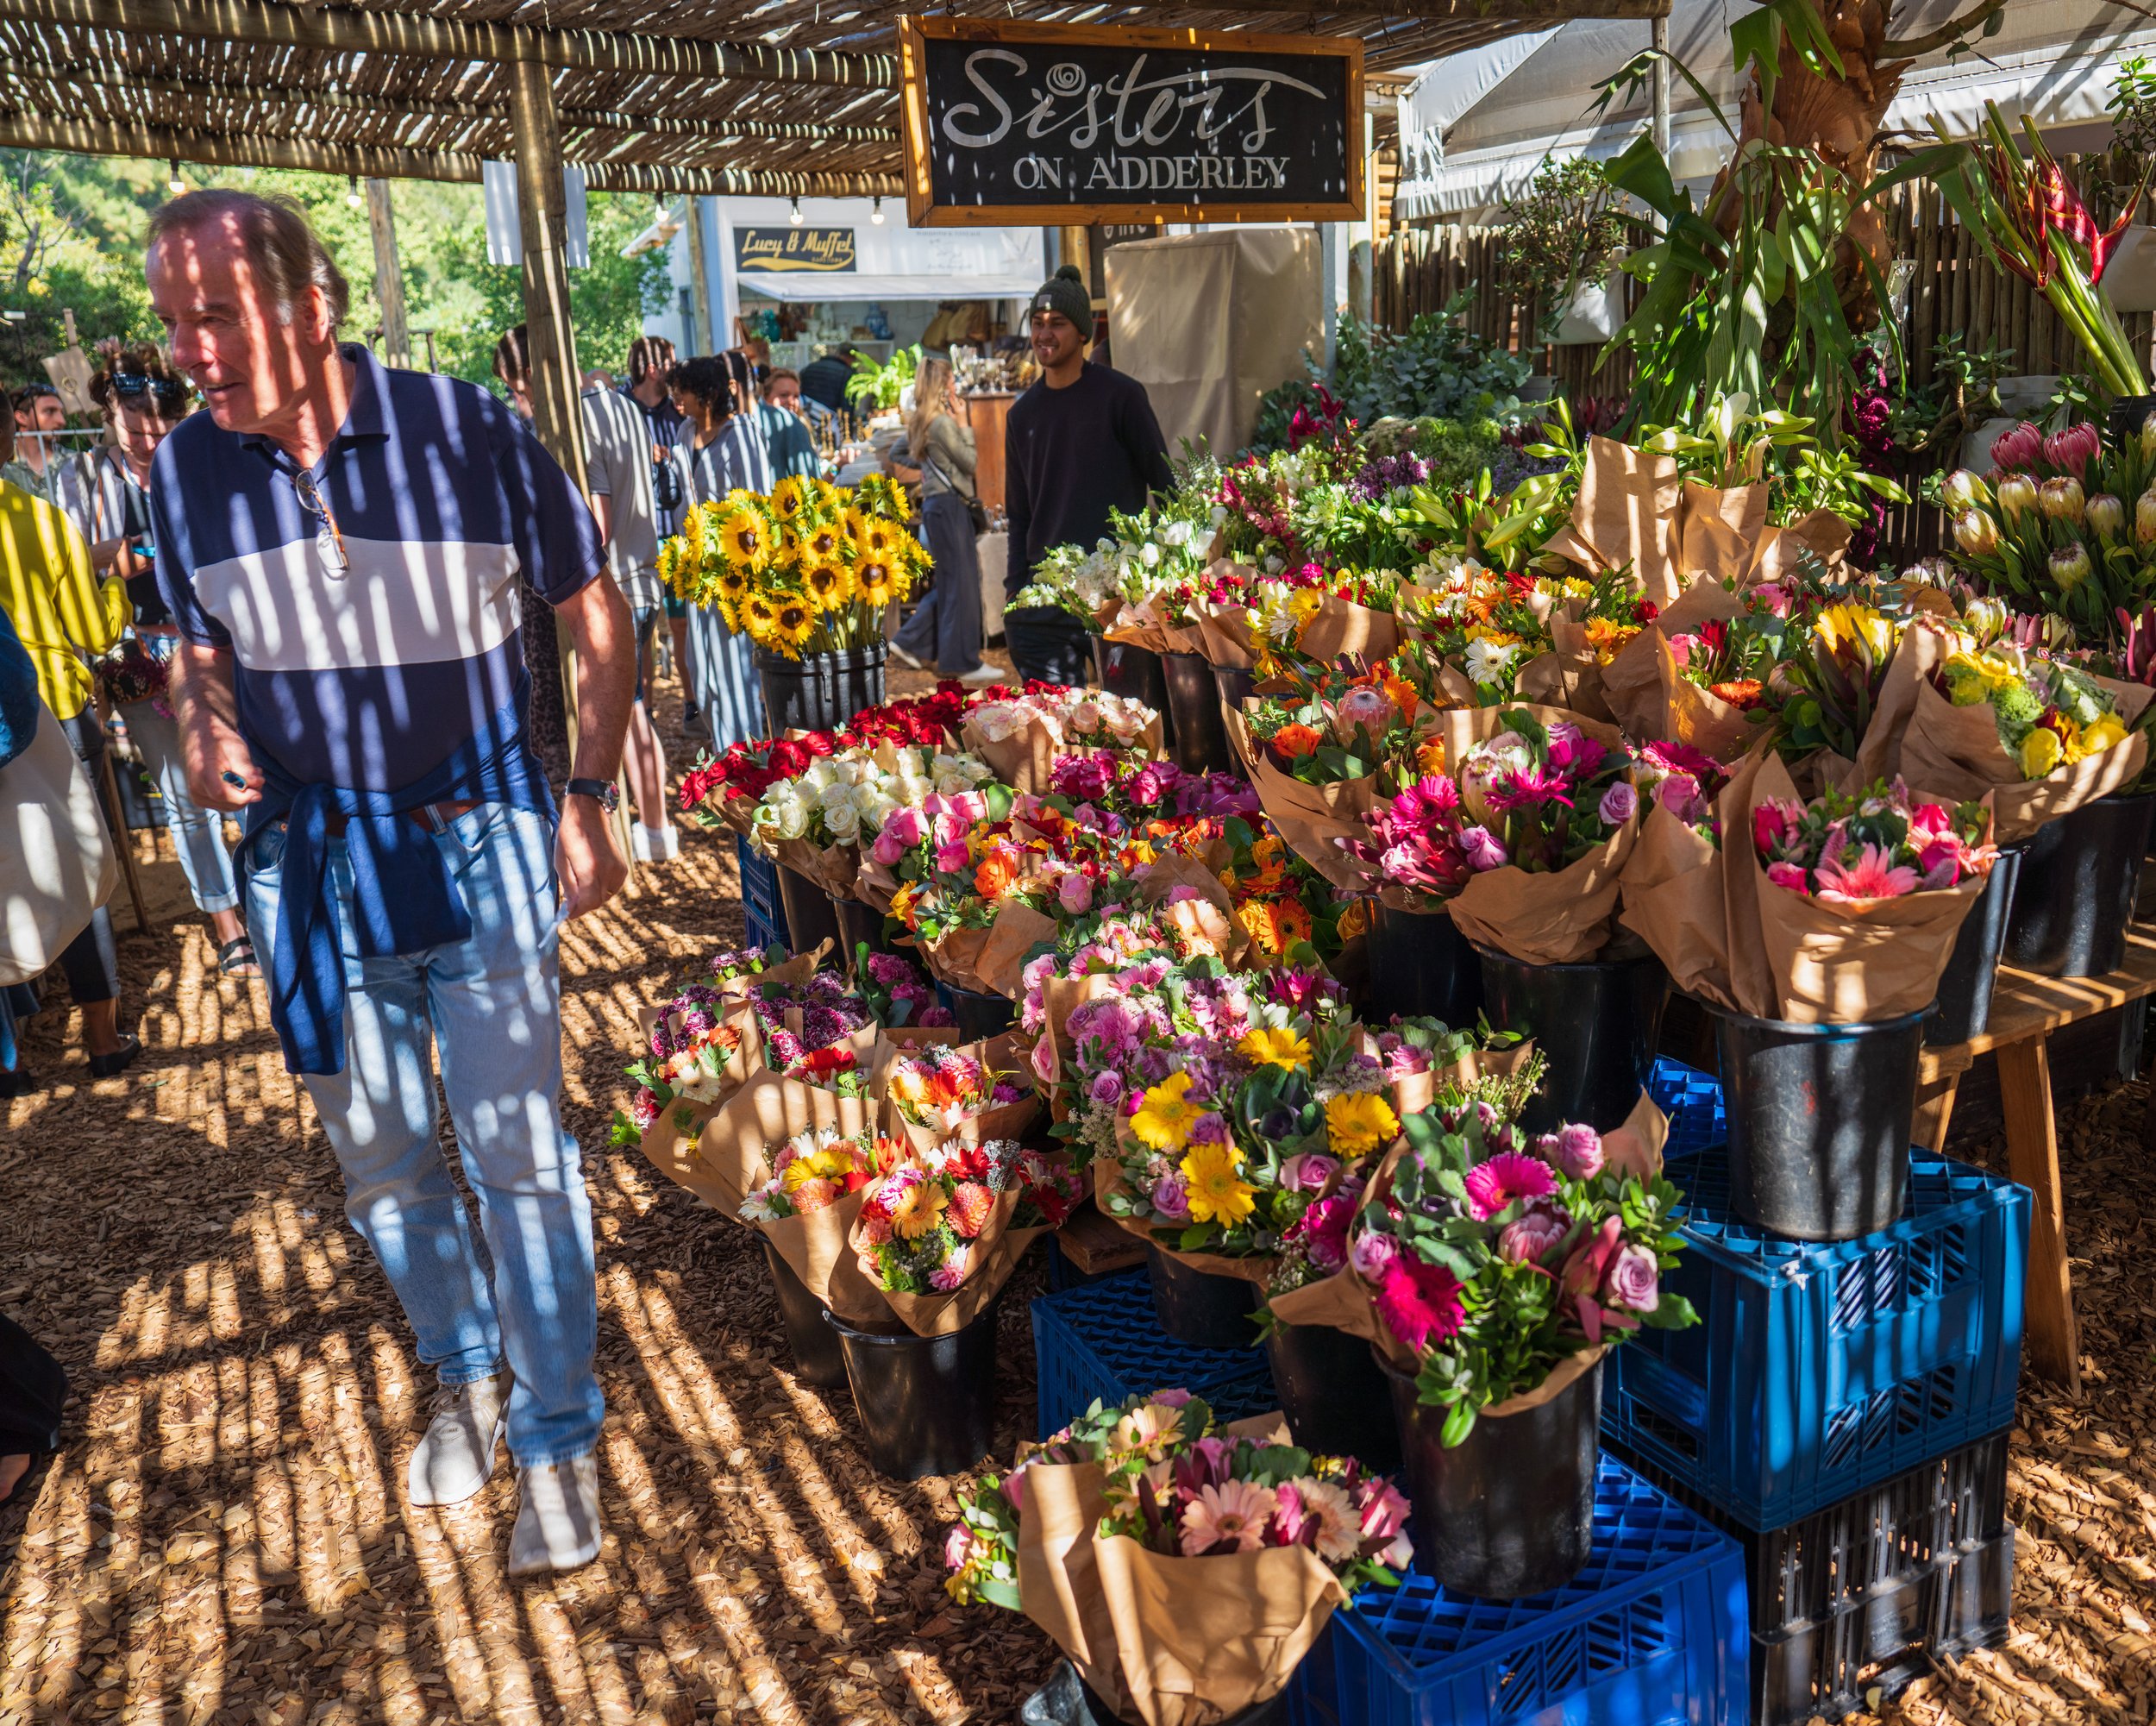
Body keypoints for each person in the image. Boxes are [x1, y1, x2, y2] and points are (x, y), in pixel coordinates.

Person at [146, 189, 633, 1576]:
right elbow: (196, 648)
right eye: (174, 321)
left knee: (518, 1156)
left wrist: (586, 797)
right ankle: (465, 1374)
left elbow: (591, 604)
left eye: (217, 316)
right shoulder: (183, 474)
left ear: (313, 310)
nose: (191, 348)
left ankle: (556, 1434)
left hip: (480, 839)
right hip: (312, 864)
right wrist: (205, 726)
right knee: (385, 1160)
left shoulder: (468, 430)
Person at [54, 342, 257, 976]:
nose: (150, 441)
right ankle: (227, 922)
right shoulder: (81, 477)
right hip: (134, 649)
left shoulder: (203, 453)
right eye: (136, 430)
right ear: (111, 413)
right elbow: (79, 555)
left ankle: (267, 894)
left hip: (218, 641)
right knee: (180, 794)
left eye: (161, 428)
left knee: (249, 776)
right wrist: (141, 555)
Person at [492, 325, 678, 866]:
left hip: (609, 588)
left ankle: (634, 834)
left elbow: (592, 529)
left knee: (621, 714)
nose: (519, 401)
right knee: (638, 709)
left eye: (516, 388)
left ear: (530, 374)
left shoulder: (579, 422)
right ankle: (657, 829)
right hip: (644, 576)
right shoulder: (622, 406)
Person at [0, 412, 140, 1079]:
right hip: (52, 711)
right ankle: (103, 1038)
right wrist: (115, 583)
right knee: (83, 867)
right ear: (7, 437)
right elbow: (91, 625)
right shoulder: (44, 521)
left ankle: (9, 1059)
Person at [1003, 265, 1173, 686]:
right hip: (1045, 604)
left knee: (1131, 721)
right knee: (1056, 731)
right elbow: (1019, 515)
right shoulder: (1021, 415)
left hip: (1120, 599)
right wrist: (1014, 594)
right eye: (1038, 324)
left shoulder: (1122, 397)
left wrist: (1169, 575)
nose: (1044, 333)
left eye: (1057, 323)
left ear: (1082, 333)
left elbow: (1166, 485)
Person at [668, 354, 769, 751]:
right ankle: (725, 751)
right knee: (702, 672)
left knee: (735, 675)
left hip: (734, 576)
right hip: (697, 573)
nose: (678, 398)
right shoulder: (683, 432)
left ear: (707, 394)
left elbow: (759, 507)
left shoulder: (741, 434)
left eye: (684, 391)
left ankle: (746, 762)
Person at [887, 356, 995, 684]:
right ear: (941, 385)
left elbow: (896, 452)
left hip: (936, 506)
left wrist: (928, 465)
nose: (954, 385)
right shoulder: (943, 423)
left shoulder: (921, 421)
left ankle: (909, 642)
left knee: (951, 583)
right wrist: (964, 423)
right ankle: (961, 662)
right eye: (950, 380)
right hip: (949, 507)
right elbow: (970, 461)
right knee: (961, 584)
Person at [621, 336, 692, 725]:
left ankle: (690, 703)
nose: (675, 369)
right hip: (639, 538)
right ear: (653, 369)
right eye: (670, 362)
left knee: (681, 623)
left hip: (677, 536)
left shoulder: (678, 414)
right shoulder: (623, 412)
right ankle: (644, 711)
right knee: (643, 629)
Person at [752, 365, 820, 483]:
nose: (791, 402)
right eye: (784, 395)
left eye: (796, 396)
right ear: (765, 396)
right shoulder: (754, 427)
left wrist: (836, 467)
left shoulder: (798, 425)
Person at [7, 383, 68, 499]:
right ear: (21, 417)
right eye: (49, 411)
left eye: (62, 413)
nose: (62, 421)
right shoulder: (3, 464)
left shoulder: (74, 462)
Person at [797, 342, 856, 418]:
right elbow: (847, 404)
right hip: (830, 421)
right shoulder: (847, 373)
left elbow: (799, 392)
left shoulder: (810, 367)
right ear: (851, 358)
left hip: (807, 416)